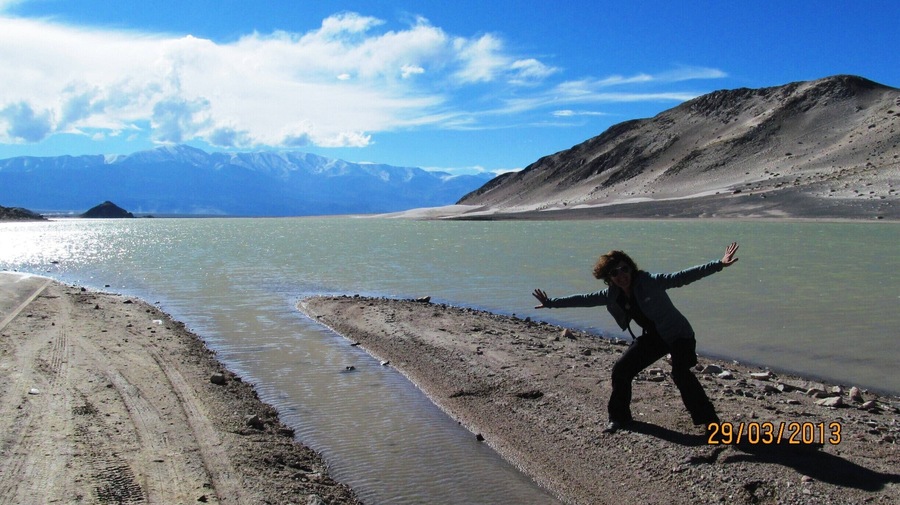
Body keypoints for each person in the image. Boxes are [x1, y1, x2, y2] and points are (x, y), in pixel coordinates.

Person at [532, 242, 740, 433]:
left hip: (679, 335)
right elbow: (585, 299)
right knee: (621, 370)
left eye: (625, 268)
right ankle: (619, 418)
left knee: (680, 373)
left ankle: (710, 423)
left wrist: (718, 264)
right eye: (615, 272)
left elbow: (681, 277)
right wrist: (551, 303)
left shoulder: (649, 281)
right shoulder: (613, 294)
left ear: (631, 267)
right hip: (655, 337)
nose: (621, 275)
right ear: (609, 277)